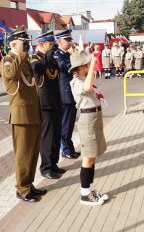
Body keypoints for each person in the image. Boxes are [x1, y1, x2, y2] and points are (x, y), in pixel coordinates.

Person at [0, 26, 46, 202]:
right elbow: (11, 75)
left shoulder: (24, 60)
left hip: (33, 112)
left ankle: (29, 184)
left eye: (26, 43)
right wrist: (19, 53)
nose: (26, 46)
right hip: (21, 115)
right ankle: (21, 189)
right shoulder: (8, 60)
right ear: (13, 44)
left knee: (33, 152)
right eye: (22, 43)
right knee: (23, 153)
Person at [69, 51, 109, 206]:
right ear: (81, 66)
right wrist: (93, 65)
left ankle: (90, 189)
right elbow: (86, 88)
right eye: (86, 63)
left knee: (92, 157)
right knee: (87, 158)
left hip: (94, 119)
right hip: (87, 121)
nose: (89, 65)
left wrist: (90, 68)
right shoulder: (76, 82)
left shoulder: (83, 79)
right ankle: (84, 194)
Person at [30, 31, 65, 179]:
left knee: (56, 135)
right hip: (44, 104)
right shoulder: (34, 59)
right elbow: (38, 70)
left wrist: (50, 55)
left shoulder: (50, 59)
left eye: (52, 44)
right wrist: (47, 55)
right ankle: (45, 168)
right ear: (41, 45)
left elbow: (57, 73)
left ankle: (54, 164)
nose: (52, 47)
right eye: (50, 44)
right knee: (48, 137)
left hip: (56, 101)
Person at [53, 30, 80, 159]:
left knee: (70, 123)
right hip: (65, 93)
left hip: (70, 92)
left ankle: (70, 148)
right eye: (67, 40)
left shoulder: (66, 54)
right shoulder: (57, 54)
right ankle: (65, 150)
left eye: (70, 40)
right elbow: (65, 67)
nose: (70, 42)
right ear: (60, 41)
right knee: (66, 124)